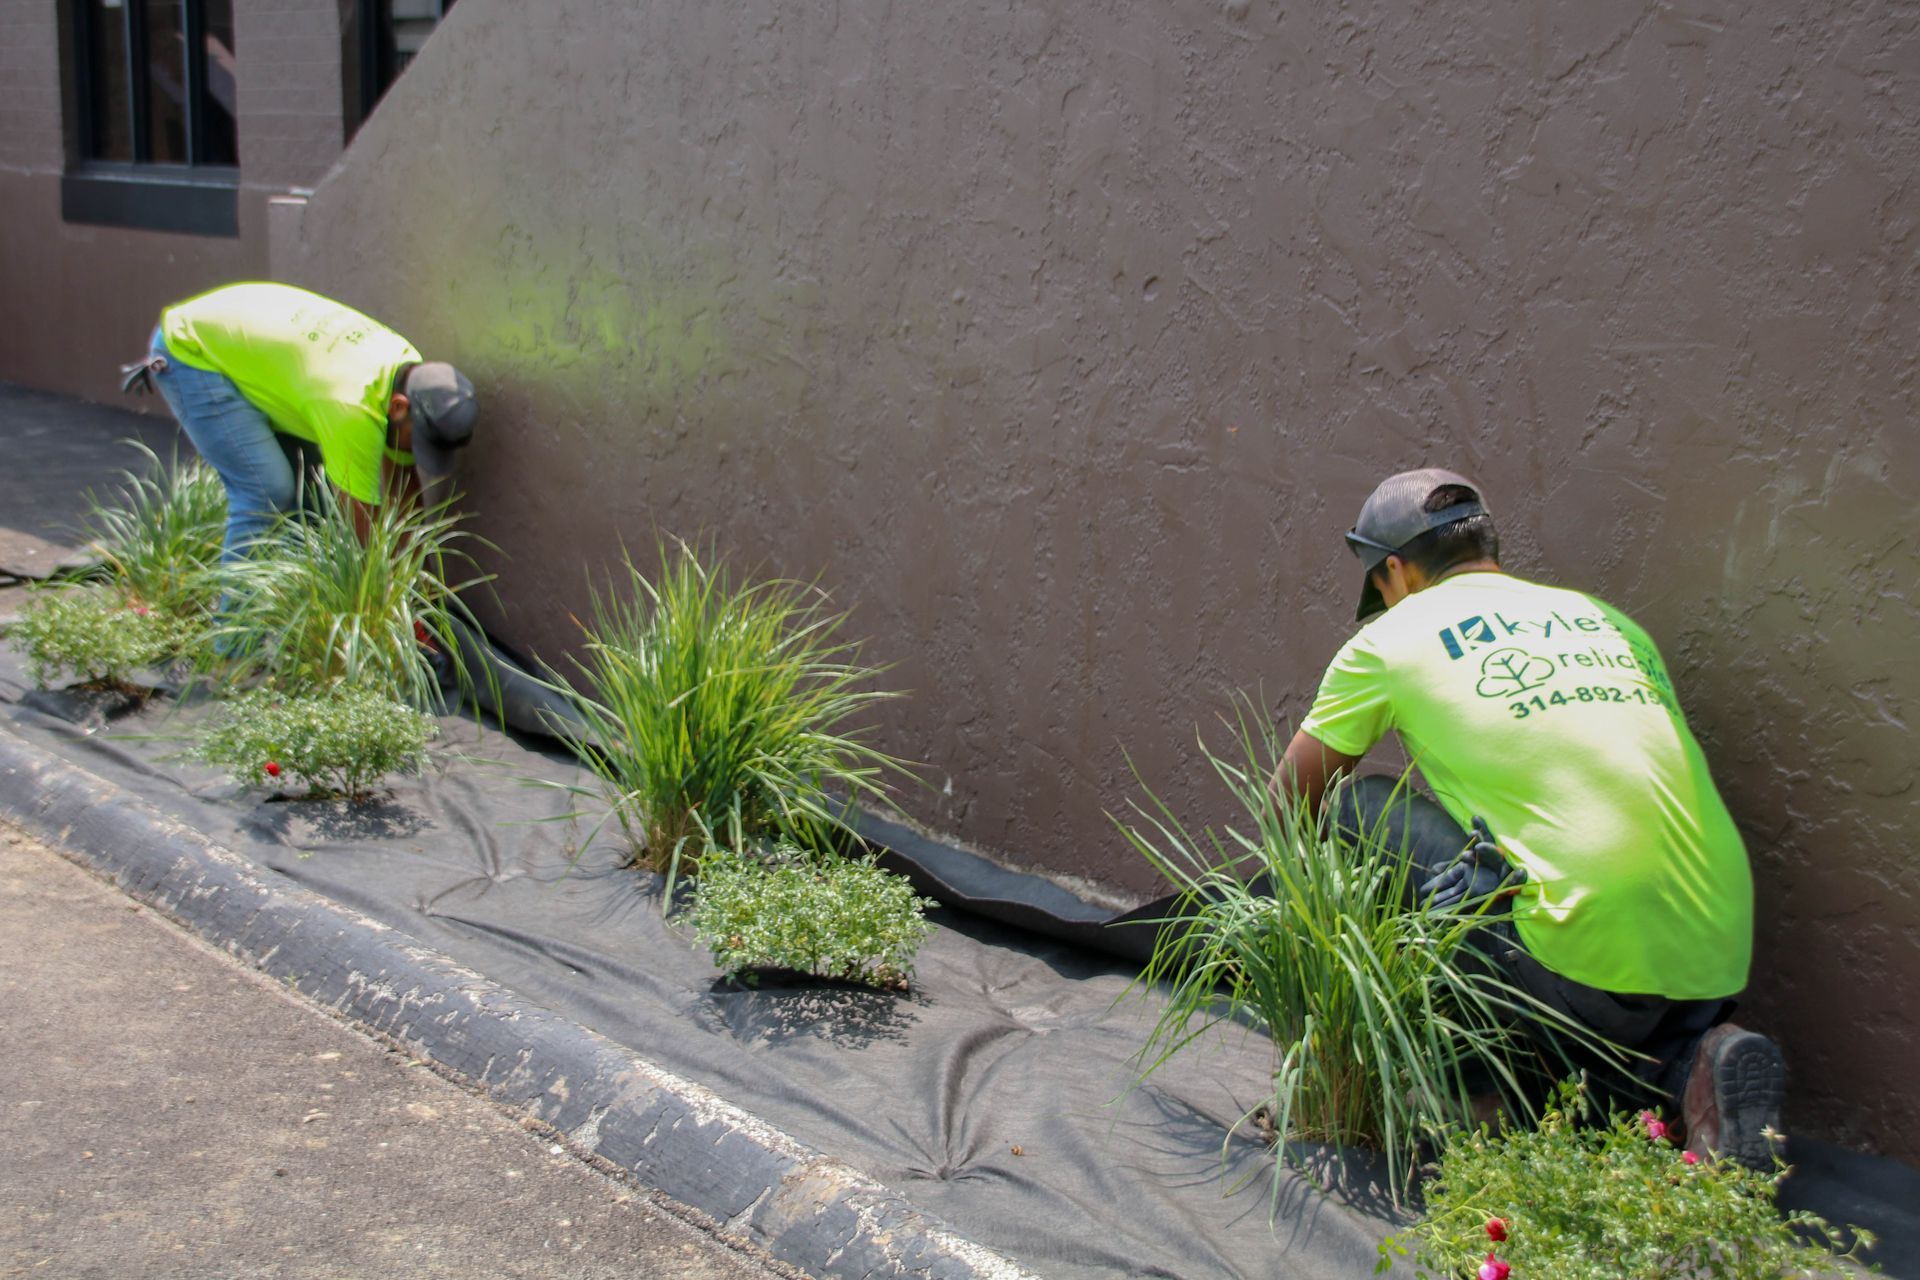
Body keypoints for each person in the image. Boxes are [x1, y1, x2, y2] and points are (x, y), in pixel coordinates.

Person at [1271, 467, 1784, 1168]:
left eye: (1381, 588)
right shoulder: (1608, 621)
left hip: (1582, 964)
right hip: (1716, 952)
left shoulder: (1388, 644)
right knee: (1605, 1038)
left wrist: (1303, 965)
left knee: (1355, 810)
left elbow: (1287, 805)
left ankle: (1472, 1078)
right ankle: (1694, 1063)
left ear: (1395, 570)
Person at [132, 281, 477, 563]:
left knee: (310, 496)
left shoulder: (407, 375)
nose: (416, 454)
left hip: (255, 342)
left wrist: (424, 587)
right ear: (399, 408)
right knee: (267, 493)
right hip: (193, 351)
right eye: (418, 444)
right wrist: (394, 607)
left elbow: (403, 494)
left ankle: (285, 620)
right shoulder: (350, 407)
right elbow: (365, 531)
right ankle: (233, 645)